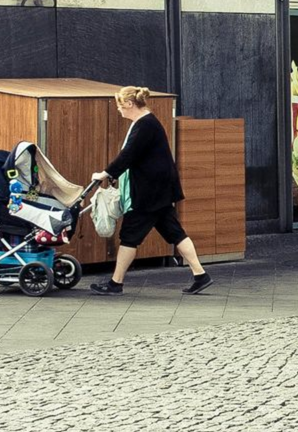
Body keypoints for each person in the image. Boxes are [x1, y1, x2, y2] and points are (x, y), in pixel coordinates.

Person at [89, 86, 211, 295]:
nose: (119, 110)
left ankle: (115, 283)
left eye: (120, 106)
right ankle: (200, 275)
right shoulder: (147, 123)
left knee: (129, 237)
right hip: (160, 191)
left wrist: (106, 173)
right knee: (175, 233)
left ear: (129, 104)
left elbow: (129, 155)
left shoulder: (145, 125)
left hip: (148, 193)